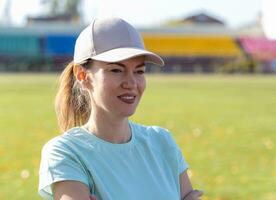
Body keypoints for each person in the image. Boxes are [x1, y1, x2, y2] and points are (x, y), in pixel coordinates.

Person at [38, 17, 203, 200]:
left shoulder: (162, 142)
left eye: (139, 71)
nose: (131, 83)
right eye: (116, 70)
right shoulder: (66, 152)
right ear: (82, 75)